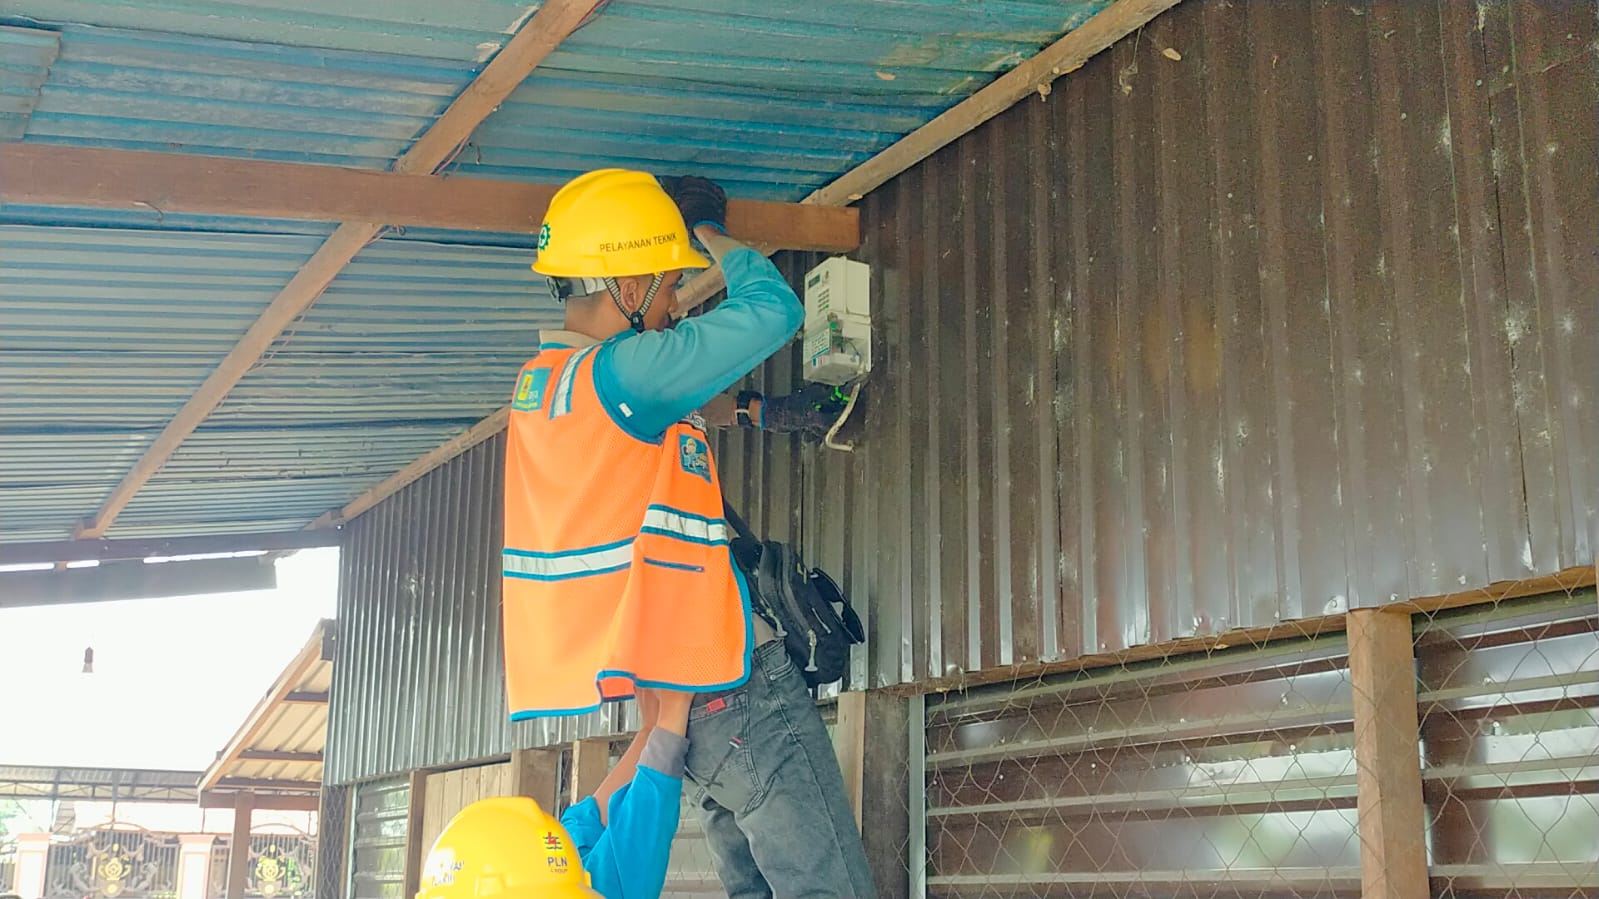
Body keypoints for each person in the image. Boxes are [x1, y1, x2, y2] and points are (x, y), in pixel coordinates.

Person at [501, 169, 876, 898]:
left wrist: (766, 413)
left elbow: (672, 409)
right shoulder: (622, 373)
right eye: (671, 284)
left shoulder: (547, 388)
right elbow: (772, 310)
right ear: (628, 283)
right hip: (734, 683)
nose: (676, 304)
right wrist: (707, 229)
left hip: (679, 705)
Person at [417, 687, 692, 899]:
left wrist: (656, 727)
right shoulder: (575, 879)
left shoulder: (560, 871)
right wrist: (669, 714)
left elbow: (584, 828)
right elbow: (634, 823)